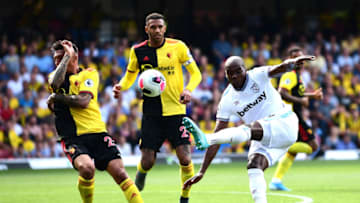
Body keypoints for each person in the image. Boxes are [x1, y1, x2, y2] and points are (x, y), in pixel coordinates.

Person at [182, 55, 315, 203]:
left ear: (245, 69)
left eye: (238, 71)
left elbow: (279, 68)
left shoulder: (257, 75)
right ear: (225, 74)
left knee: (248, 129)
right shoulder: (227, 99)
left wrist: (291, 63)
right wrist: (202, 171)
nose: (234, 76)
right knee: (254, 166)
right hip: (264, 138)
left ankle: (205, 138)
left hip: (284, 123)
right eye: (229, 73)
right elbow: (219, 134)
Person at [113, 13, 202, 203]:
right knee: (147, 161)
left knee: (185, 158)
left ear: (165, 28)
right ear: (147, 29)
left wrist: (188, 90)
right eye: (153, 27)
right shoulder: (137, 51)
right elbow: (130, 76)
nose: (157, 30)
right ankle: (141, 172)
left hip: (176, 111)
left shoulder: (178, 47)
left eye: (160, 27)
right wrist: (121, 85)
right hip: (152, 114)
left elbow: (196, 74)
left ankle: (184, 197)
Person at [47, 40, 143, 203]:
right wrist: (65, 58)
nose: (58, 62)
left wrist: (58, 97)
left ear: (75, 57)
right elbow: (55, 84)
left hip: (97, 132)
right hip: (72, 136)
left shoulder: (90, 73)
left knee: (120, 173)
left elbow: (84, 101)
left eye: (61, 57)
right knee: (86, 168)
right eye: (56, 59)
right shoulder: (55, 77)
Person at [269, 46, 323, 191]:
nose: (300, 61)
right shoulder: (289, 75)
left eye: (301, 57)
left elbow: (298, 93)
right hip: (293, 116)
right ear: (290, 60)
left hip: (296, 115)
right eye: (296, 58)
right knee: (314, 147)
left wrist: (312, 95)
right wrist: (301, 101)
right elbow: (282, 92)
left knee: (292, 153)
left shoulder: (299, 77)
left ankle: (276, 181)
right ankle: (280, 145)